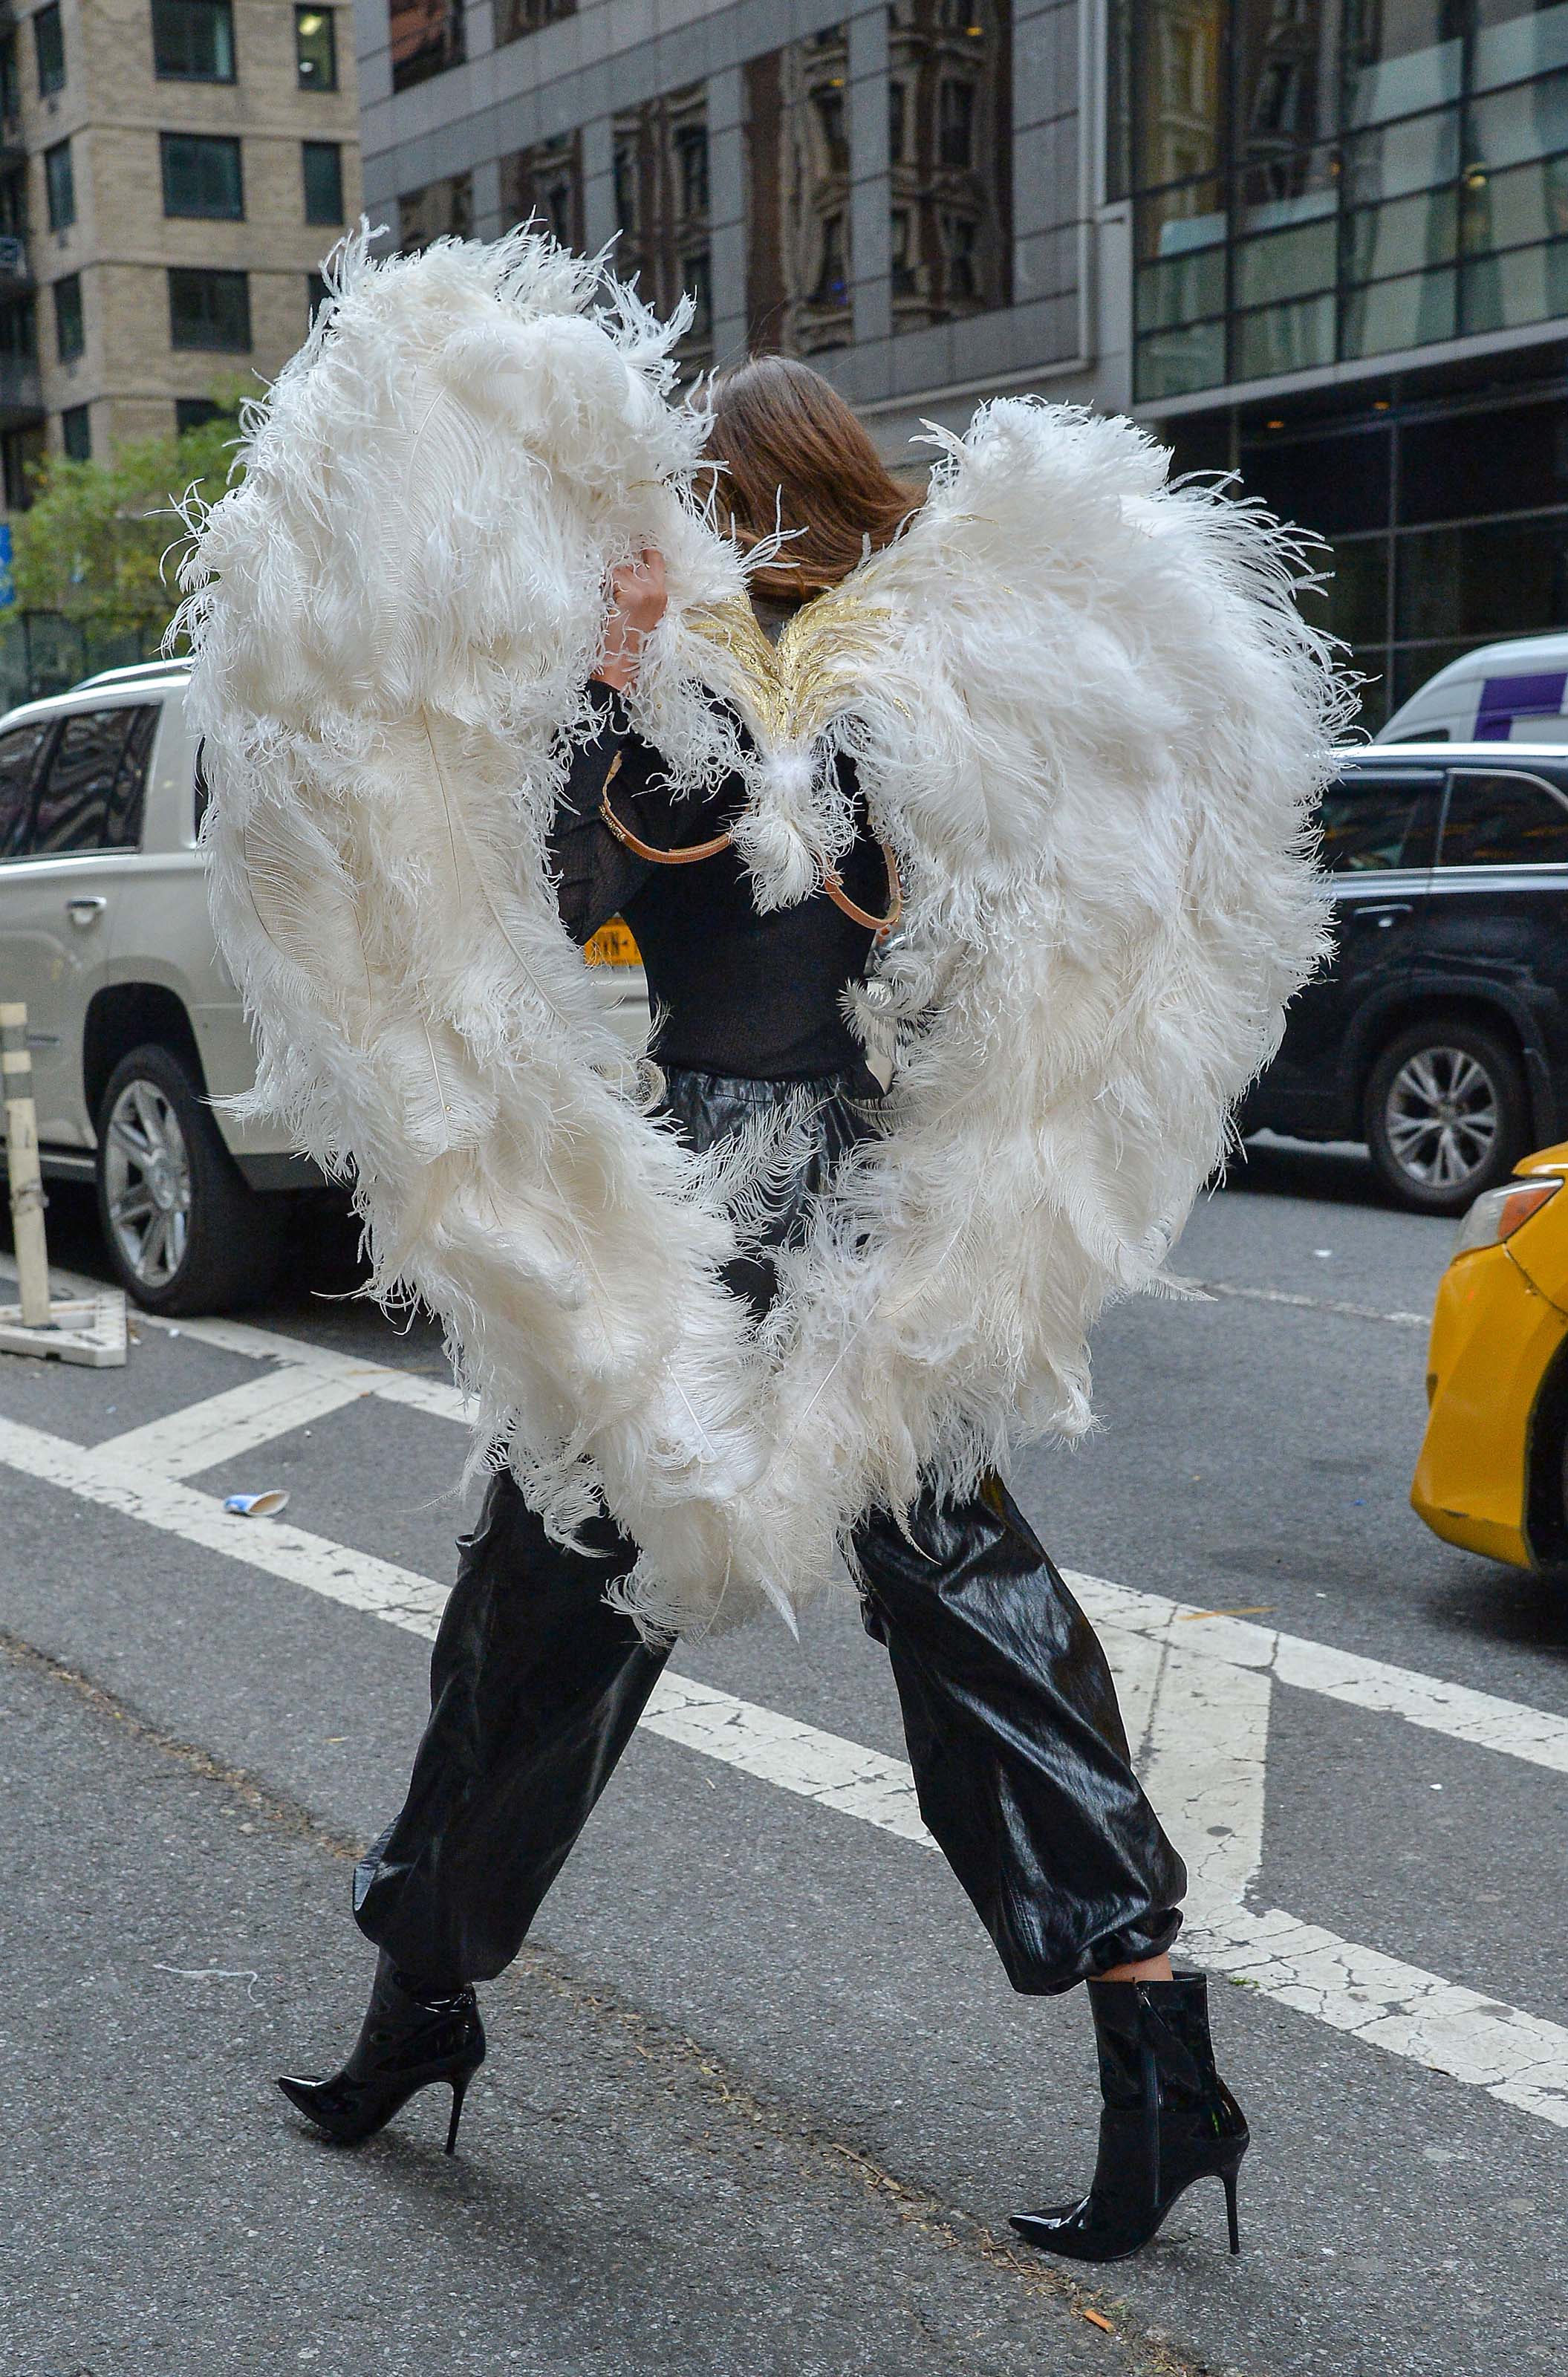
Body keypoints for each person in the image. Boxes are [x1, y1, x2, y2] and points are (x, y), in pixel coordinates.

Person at [274, 355, 1249, 2266]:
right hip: (853, 1202)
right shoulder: (913, 673)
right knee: (963, 1609)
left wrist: (594, 679)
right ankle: (1164, 2061)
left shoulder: (743, 684)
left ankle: (420, 2003)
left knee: (550, 1593)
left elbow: (552, 903)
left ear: (727, 491)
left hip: (725, 1205)